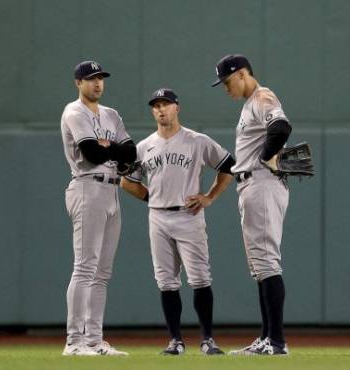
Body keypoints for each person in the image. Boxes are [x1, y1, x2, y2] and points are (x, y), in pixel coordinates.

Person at [121, 88, 235, 356]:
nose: (161, 109)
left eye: (166, 104)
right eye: (156, 105)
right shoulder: (144, 146)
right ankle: (176, 340)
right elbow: (127, 181)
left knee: (200, 278)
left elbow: (229, 166)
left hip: (189, 215)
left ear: (177, 108)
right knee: (166, 281)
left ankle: (207, 339)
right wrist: (152, 198)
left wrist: (209, 197)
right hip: (158, 216)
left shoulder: (197, 141)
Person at [211, 54, 292, 356]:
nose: (225, 88)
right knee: (260, 266)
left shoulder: (262, 96)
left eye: (227, 81)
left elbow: (281, 127)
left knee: (267, 262)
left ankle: (277, 342)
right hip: (252, 184)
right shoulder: (250, 104)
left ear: (243, 74)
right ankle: (267, 337)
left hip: (261, 183)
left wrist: (267, 156)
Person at [60, 60, 136, 356]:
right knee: (85, 266)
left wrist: (110, 147)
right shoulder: (74, 111)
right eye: (91, 79)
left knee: (102, 272)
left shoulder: (111, 114)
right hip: (86, 186)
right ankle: (74, 341)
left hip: (112, 190)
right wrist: (108, 148)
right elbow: (91, 154)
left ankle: (93, 339)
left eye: (100, 78)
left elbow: (131, 153)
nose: (97, 83)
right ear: (78, 83)